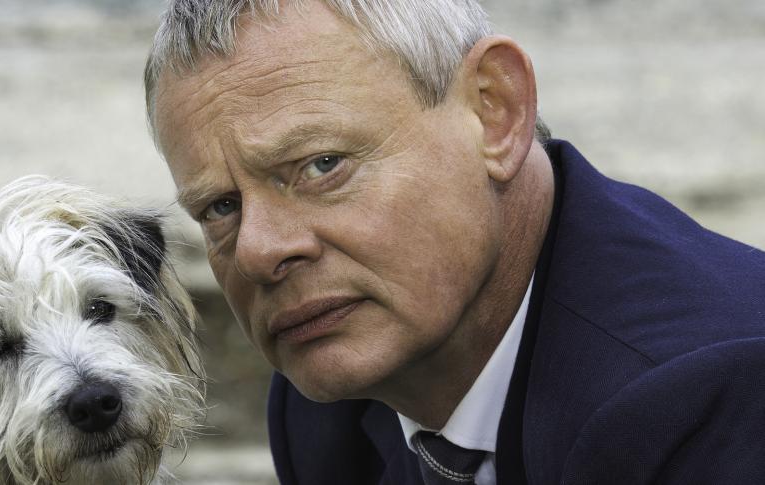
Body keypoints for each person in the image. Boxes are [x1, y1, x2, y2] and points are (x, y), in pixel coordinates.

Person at [143, 1, 765, 483]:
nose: (258, 251)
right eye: (220, 207)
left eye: (321, 165)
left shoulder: (705, 399)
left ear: (496, 112)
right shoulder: (324, 398)